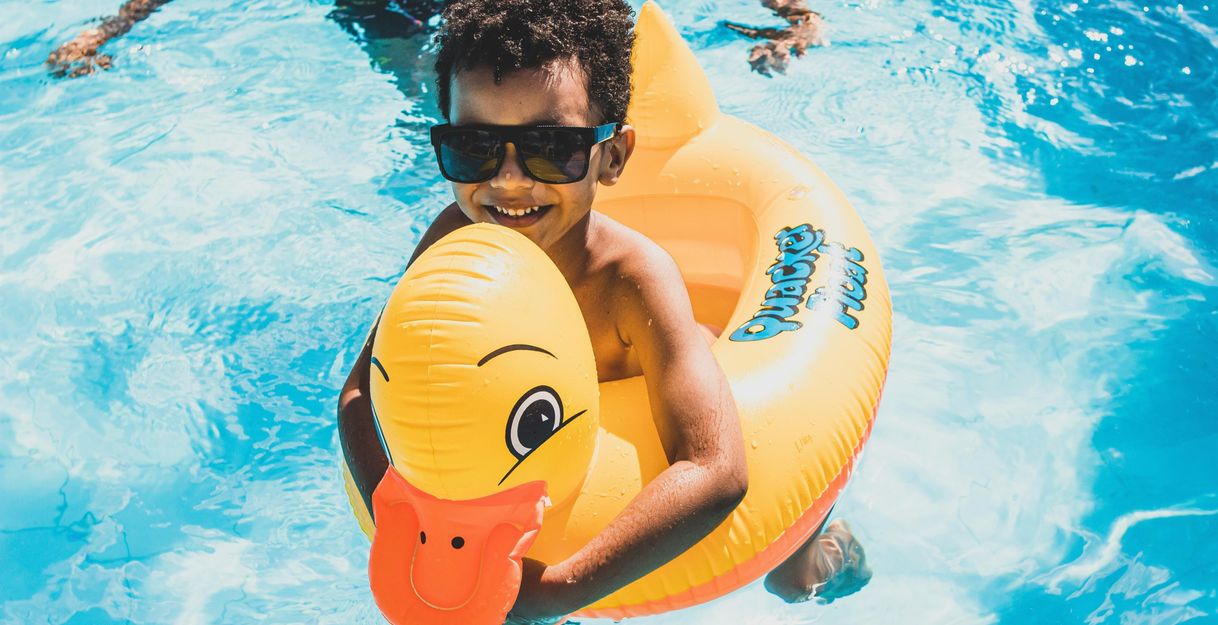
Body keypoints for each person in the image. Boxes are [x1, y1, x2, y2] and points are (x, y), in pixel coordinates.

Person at [335, 1, 867, 622]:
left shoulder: (631, 280)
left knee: (792, 582)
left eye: (551, 147)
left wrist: (556, 592)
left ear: (611, 157)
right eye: (474, 146)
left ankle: (821, 536)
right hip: (538, 446)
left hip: (705, 387)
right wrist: (398, 517)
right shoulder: (451, 241)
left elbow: (717, 470)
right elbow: (360, 391)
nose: (509, 180)